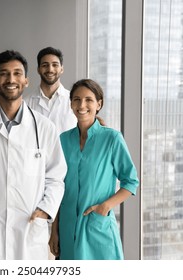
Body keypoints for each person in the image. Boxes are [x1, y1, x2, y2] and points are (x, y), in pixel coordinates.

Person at [0, 50, 67, 260]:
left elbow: (56, 177)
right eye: (4, 74)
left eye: (17, 73)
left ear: (26, 80)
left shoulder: (44, 127)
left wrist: (45, 211)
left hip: (30, 230)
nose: (11, 79)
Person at [49, 79, 139, 260]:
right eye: (76, 99)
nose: (82, 105)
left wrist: (106, 206)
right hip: (67, 230)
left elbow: (131, 181)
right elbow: (57, 187)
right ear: (71, 104)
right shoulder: (63, 140)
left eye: (88, 100)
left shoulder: (112, 138)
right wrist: (54, 231)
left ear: (99, 104)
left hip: (97, 227)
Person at [24, 46, 76, 134]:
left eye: (55, 65)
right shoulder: (25, 104)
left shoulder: (74, 100)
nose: (50, 69)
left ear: (62, 69)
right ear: (38, 69)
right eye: (45, 65)